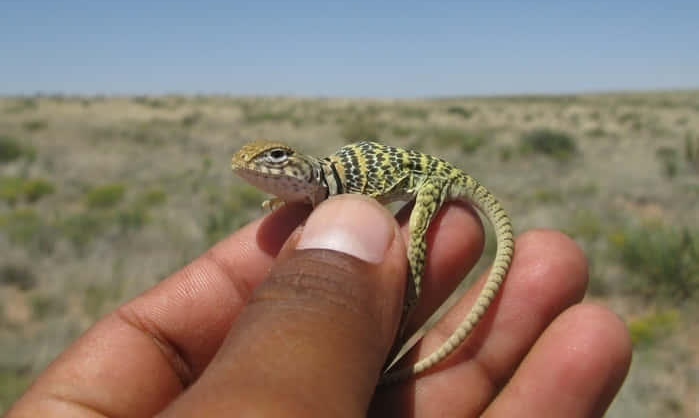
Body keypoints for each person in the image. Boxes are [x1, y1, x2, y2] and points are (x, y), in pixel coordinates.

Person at [7, 195, 631, 417]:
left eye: (275, 162)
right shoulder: (308, 195)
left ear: (296, 167)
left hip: (430, 176)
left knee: (419, 245)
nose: (263, 172)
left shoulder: (327, 188)